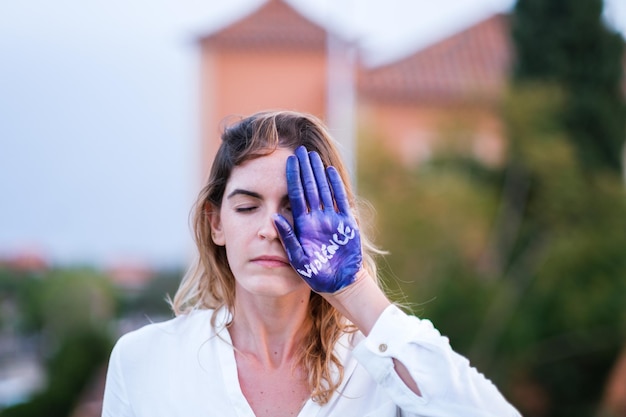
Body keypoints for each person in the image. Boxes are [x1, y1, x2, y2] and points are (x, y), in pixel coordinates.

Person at [101, 110, 521, 417]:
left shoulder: (378, 362)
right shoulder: (145, 360)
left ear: (337, 219)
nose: (270, 229)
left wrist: (354, 289)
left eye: (293, 208)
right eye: (247, 207)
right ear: (216, 224)